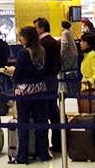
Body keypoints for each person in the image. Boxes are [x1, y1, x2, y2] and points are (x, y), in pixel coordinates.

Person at [12, 26, 51, 164]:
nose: (20, 38)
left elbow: (18, 73)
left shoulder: (23, 53)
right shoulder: (42, 51)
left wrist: (12, 77)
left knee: (24, 125)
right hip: (40, 90)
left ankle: (22, 156)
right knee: (41, 123)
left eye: (21, 36)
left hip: (25, 93)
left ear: (27, 37)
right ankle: (43, 153)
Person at [34, 18, 61, 152]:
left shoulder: (42, 43)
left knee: (44, 112)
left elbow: (40, 64)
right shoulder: (54, 42)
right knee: (53, 111)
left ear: (42, 28)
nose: (35, 31)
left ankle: (43, 145)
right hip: (53, 79)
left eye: (36, 28)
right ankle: (57, 141)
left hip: (45, 81)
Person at [60, 21, 79, 96]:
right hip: (74, 55)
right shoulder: (70, 32)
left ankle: (71, 94)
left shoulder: (64, 33)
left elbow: (64, 44)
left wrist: (61, 53)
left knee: (68, 73)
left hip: (68, 56)